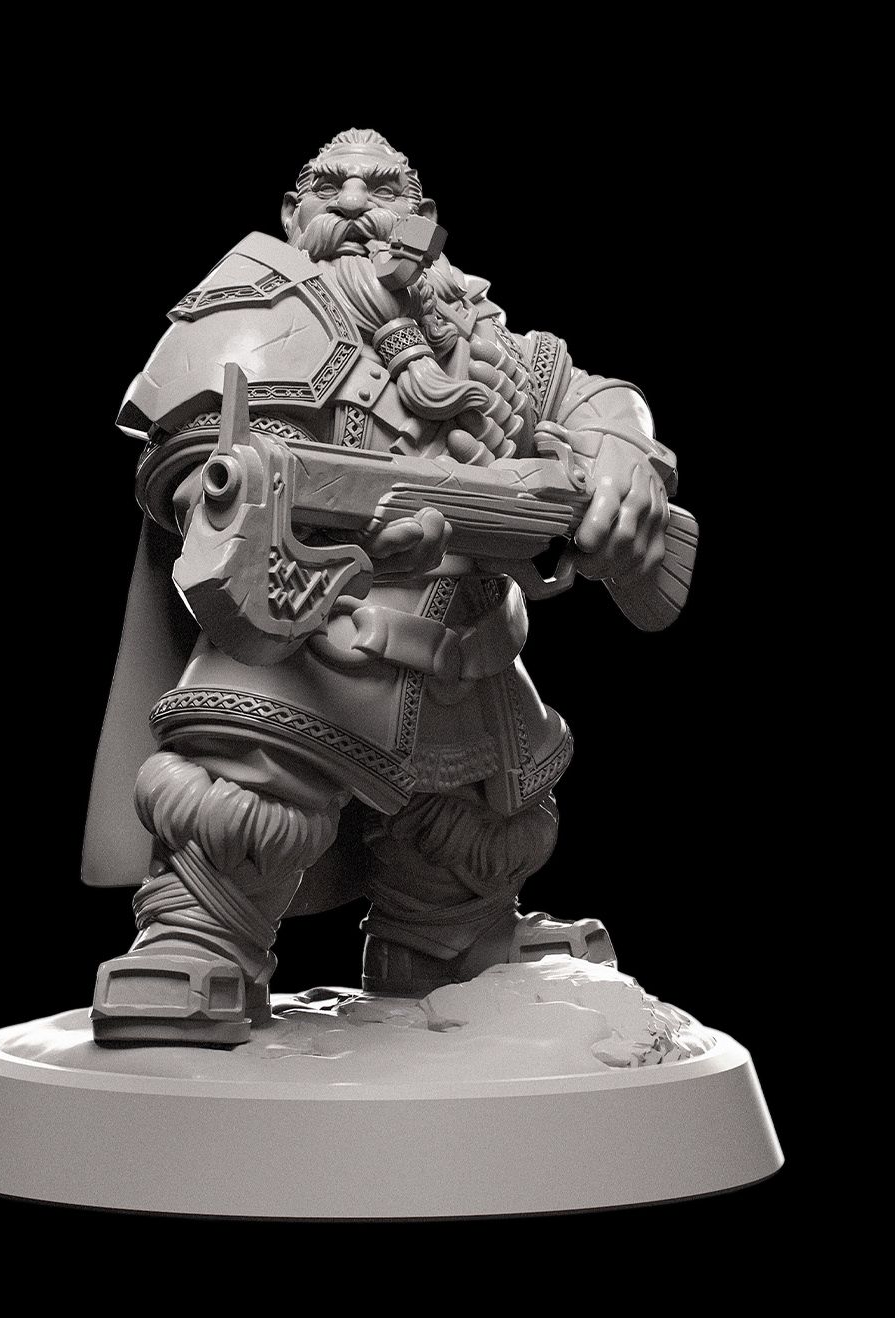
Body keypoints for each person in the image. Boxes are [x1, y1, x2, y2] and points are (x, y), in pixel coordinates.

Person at [84, 129, 677, 1046]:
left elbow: (594, 395)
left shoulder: (474, 328)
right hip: (318, 620)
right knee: (244, 788)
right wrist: (311, 522)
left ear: (421, 211)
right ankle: (199, 943)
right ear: (294, 214)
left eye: (383, 186)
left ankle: (446, 946)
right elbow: (192, 472)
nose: (355, 201)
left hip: (472, 645)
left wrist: (625, 456)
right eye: (329, 185)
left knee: (486, 822)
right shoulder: (256, 306)